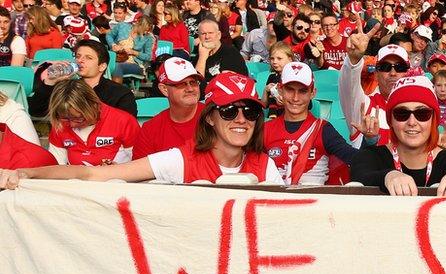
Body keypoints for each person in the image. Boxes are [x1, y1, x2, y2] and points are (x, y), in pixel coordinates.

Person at [0, 72, 281, 186]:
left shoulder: (266, 167)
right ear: (209, 118)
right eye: (229, 111)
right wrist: (28, 173)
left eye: (251, 111)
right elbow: (90, 172)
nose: (241, 119)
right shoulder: (180, 159)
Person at [350, 76, 446, 195]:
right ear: (391, 121)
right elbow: (359, 173)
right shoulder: (371, 156)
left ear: (433, 120)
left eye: (422, 114)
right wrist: (387, 176)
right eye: (402, 114)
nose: (412, 122)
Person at [264, 61, 359, 185]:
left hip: (314, 201)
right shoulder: (265, 129)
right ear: (280, 90)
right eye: (290, 89)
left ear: (313, 93)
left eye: (303, 91)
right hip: (273, 201)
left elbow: (356, 159)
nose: (295, 98)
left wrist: (369, 141)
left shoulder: (323, 129)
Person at [29, 39, 136, 118]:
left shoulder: (120, 93)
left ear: (102, 66)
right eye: (78, 56)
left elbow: (128, 125)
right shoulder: (66, 87)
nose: (80, 60)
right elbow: (36, 111)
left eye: (88, 58)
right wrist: (49, 82)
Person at [340, 23, 409, 147]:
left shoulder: (418, 111)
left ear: (407, 73)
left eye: (400, 67)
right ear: (376, 74)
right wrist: (353, 60)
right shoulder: (364, 106)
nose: (393, 73)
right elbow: (348, 87)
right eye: (385, 67)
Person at [46, 79, 138, 166]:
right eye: (65, 118)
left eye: (78, 118)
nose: (72, 124)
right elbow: (56, 166)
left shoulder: (123, 121)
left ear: (93, 105)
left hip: (119, 180)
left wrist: (118, 170)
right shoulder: (60, 124)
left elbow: (140, 163)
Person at [132, 57, 203, 159]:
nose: (190, 89)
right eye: (181, 84)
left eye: (193, 82)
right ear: (164, 89)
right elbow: (139, 172)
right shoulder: (150, 130)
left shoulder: (216, 118)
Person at [194, 18, 247, 82]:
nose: (207, 37)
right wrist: (202, 57)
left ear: (219, 35)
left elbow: (230, 84)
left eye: (210, 33)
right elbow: (196, 83)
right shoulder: (198, 58)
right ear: (199, 37)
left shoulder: (230, 53)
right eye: (203, 34)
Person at [111, 16, 154, 82]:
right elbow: (109, 36)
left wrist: (133, 52)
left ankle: (116, 91)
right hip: (118, 58)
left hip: (135, 64)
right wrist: (114, 46)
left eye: (147, 30)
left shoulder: (148, 37)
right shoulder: (124, 29)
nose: (145, 32)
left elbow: (148, 57)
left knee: (117, 66)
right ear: (138, 24)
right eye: (144, 29)